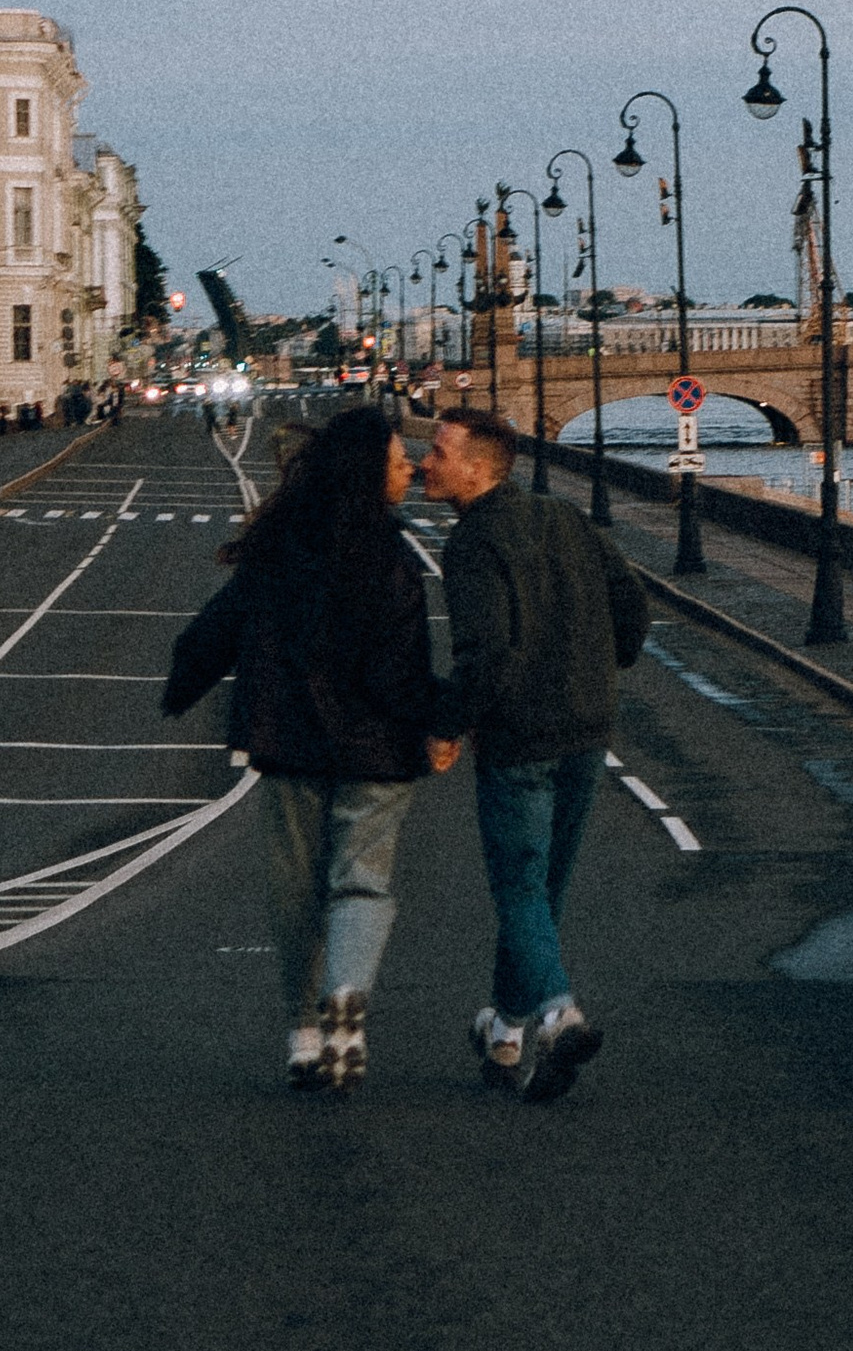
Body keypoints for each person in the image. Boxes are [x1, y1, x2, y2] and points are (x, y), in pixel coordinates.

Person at [162, 404, 447, 1095]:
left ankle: (303, 1035)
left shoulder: (280, 546)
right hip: (375, 752)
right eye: (398, 457)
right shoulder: (391, 561)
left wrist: (183, 684)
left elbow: (216, 628)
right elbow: (396, 674)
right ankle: (347, 989)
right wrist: (444, 721)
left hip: (287, 744)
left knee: (295, 893)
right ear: (368, 472)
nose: (411, 464)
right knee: (361, 882)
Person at [419, 407, 650, 1103]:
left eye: (436, 450)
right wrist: (603, 668)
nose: (423, 461)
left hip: (519, 738)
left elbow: (485, 653)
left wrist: (449, 726)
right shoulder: (565, 517)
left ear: (478, 467)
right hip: (586, 728)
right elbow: (631, 604)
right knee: (541, 895)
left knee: (520, 887)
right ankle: (507, 1032)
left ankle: (560, 1016)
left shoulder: (472, 544)